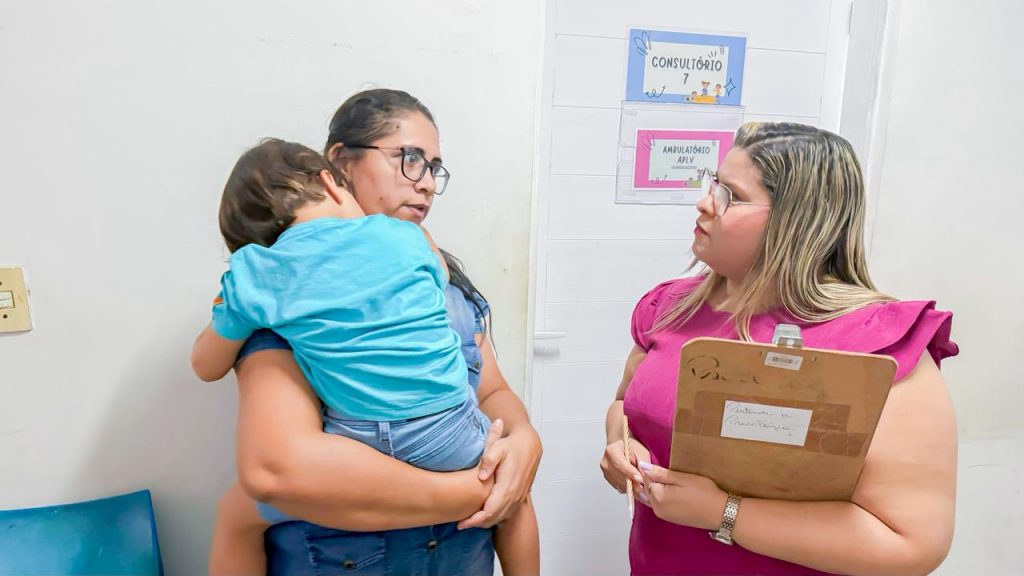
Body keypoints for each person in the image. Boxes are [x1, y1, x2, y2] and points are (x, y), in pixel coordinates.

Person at [600, 122, 959, 575]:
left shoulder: (882, 342)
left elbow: (911, 544)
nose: (704, 202)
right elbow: (624, 405)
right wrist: (621, 446)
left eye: (731, 195)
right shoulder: (670, 307)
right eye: (713, 183)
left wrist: (724, 512)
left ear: (798, 220)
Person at [210, 89, 541, 576]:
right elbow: (276, 471)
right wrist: (479, 490)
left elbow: (490, 390)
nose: (425, 183)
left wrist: (524, 440)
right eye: (409, 158)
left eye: (433, 167)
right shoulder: (287, 297)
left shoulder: (438, 281)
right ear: (340, 164)